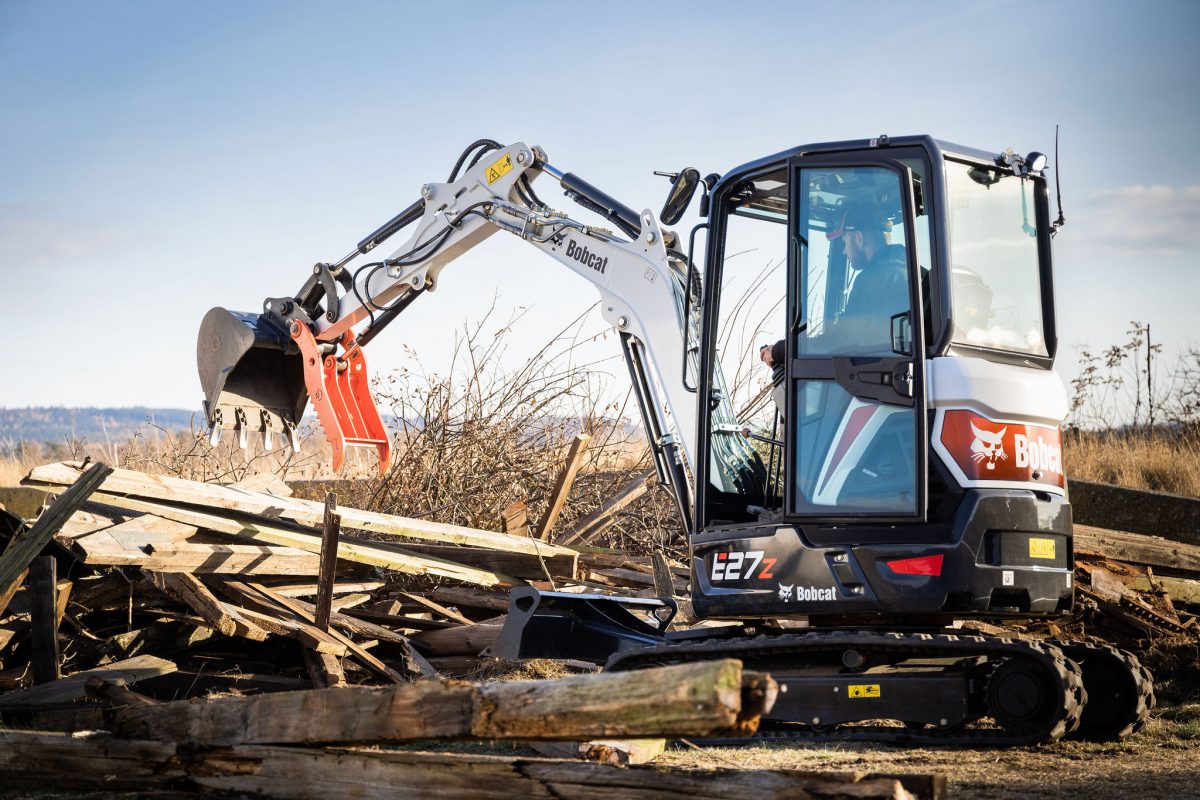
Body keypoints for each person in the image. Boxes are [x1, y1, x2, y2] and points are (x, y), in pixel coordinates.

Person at [825, 202, 909, 353]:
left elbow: (843, 339)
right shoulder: (914, 272)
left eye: (845, 242)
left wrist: (785, 350)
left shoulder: (872, 279)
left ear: (858, 237)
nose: (844, 251)